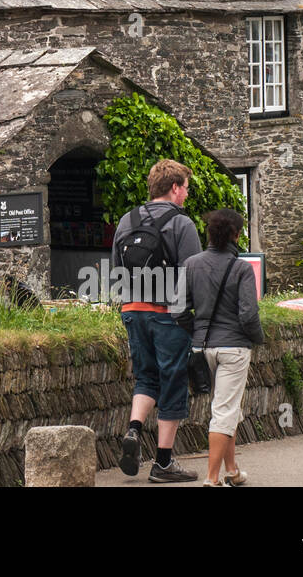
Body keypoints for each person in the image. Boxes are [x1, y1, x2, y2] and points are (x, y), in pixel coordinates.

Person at [112, 159, 203, 483]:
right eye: (186, 189)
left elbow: (115, 271)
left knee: (146, 376)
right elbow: (193, 274)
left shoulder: (127, 220)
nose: (187, 195)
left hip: (132, 310)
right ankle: (163, 462)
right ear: (175, 188)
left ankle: (134, 430)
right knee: (173, 382)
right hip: (168, 314)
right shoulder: (182, 224)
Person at [184, 207, 265, 487]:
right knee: (225, 412)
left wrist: (196, 332)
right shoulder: (241, 268)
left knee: (225, 408)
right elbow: (248, 315)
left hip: (202, 348)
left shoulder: (191, 264)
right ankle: (211, 479)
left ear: (209, 233)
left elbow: (178, 311)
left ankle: (232, 471)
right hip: (233, 348)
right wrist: (258, 338)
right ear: (236, 234)